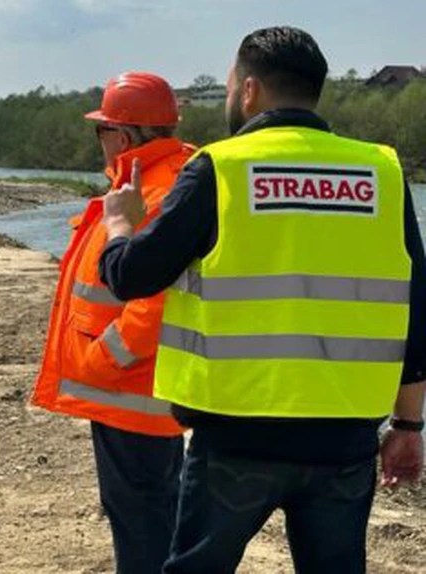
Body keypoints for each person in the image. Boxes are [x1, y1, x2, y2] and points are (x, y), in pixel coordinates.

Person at [99, 27, 426, 573]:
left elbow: (131, 277)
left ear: (249, 91)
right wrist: (410, 427)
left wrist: (119, 225)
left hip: (235, 434)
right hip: (343, 436)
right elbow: (417, 308)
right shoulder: (382, 173)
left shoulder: (220, 167)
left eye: (230, 87)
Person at [32, 72, 193, 574]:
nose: (99, 142)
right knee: (152, 517)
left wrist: (107, 357)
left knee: (143, 524)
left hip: (132, 392)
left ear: (121, 137)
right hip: (141, 392)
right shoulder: (162, 182)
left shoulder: (157, 190)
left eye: (101, 130)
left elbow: (156, 299)